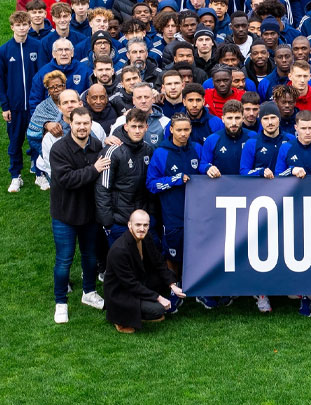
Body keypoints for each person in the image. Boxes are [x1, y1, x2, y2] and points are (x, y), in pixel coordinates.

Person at [48, 107, 108, 323]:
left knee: (91, 257)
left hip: (90, 214)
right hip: (64, 214)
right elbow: (67, 180)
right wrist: (94, 169)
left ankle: (89, 293)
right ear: (70, 124)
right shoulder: (59, 149)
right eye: (78, 123)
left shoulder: (96, 146)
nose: (82, 127)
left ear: (91, 124)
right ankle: (61, 302)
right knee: (64, 260)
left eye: (86, 123)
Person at [146, 113, 202, 277]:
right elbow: (151, 184)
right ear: (171, 129)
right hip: (173, 215)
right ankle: (174, 288)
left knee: (197, 253)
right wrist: (174, 179)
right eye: (179, 130)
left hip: (198, 214)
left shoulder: (197, 148)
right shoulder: (161, 153)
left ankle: (196, 287)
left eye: (186, 129)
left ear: (191, 129)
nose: (183, 133)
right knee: (173, 255)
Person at [96, 107, 156, 244]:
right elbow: (102, 188)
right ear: (126, 126)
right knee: (121, 262)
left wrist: (151, 213)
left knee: (146, 259)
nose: (137, 130)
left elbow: (151, 184)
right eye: (133, 126)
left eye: (140, 127)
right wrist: (108, 222)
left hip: (142, 219)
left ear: (146, 127)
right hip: (119, 221)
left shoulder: (148, 149)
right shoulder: (113, 151)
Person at [2, 11, 43, 192]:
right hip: (15, 106)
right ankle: (15, 175)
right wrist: (5, 106)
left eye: (24, 24)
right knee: (15, 141)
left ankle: (39, 173)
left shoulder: (37, 46)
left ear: (29, 25)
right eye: (18, 25)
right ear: (12, 27)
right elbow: (1, 81)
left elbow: (42, 75)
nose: (21, 28)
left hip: (34, 106)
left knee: (36, 138)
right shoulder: (4, 50)